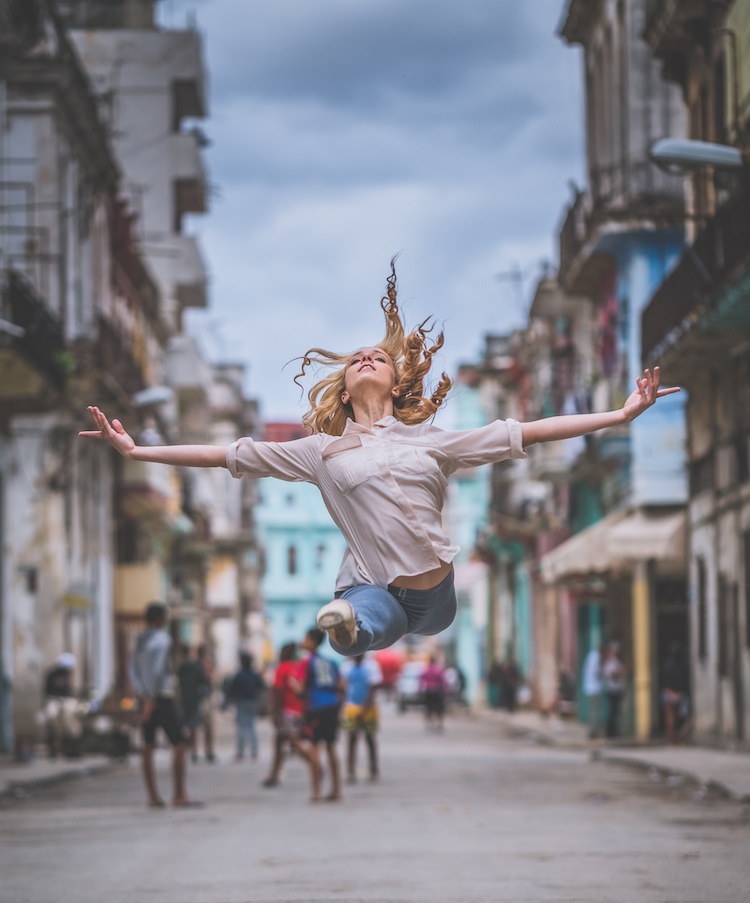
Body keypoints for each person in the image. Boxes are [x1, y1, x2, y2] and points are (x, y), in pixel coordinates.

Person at [80, 263, 679, 658]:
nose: (368, 355)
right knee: (358, 615)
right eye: (357, 358)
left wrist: (619, 415)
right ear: (343, 389)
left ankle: (352, 622)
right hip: (377, 588)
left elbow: (531, 430)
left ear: (395, 385)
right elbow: (225, 455)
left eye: (379, 357)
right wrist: (138, 450)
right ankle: (345, 627)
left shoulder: (434, 442)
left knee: (405, 614)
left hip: (435, 596)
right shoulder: (319, 452)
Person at [128, 602, 196, 808]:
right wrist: (152, 697)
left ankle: (153, 796)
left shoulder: (138, 640)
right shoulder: (162, 639)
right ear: (160, 619)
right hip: (161, 697)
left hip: (144, 697)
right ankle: (179, 793)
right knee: (180, 743)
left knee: (147, 746)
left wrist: (142, 695)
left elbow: (132, 671)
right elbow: (158, 670)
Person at [299, 627, 343, 802]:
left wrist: (298, 692)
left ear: (312, 641)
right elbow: (341, 686)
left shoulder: (306, 662)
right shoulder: (331, 662)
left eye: (306, 638)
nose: (303, 641)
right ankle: (336, 791)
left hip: (316, 707)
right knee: (331, 747)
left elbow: (300, 689)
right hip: (332, 705)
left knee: (315, 748)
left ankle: (316, 791)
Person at [263, 642, 307, 787]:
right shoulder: (296, 668)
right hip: (297, 709)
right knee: (280, 742)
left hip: (287, 711)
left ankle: (316, 765)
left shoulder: (281, 669)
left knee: (293, 741)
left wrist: (276, 712)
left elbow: (278, 692)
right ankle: (273, 774)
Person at [342, 653, 383, 782]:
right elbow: (343, 687)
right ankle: (350, 771)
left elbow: (374, 689)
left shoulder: (371, 666)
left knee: (369, 738)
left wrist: (364, 708)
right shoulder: (347, 666)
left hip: (369, 708)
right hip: (351, 706)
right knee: (352, 738)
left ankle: (373, 769)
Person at [223, 652, 266, 761]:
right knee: (252, 726)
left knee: (241, 727)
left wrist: (228, 701)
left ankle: (240, 752)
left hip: (242, 702)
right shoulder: (254, 674)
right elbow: (261, 686)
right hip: (252, 702)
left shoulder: (239, 675)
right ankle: (254, 751)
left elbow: (231, 688)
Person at [176, 645, 212, 762]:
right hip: (198, 700)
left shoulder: (181, 667)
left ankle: (194, 751)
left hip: (187, 700)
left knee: (192, 726)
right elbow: (205, 682)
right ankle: (208, 751)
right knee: (206, 725)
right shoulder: (198, 667)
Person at [42, 652, 81, 759]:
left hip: (66, 699)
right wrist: (56, 697)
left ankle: (73, 744)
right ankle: (54, 744)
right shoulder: (51, 675)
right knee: (52, 716)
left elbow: (70, 691)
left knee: (69, 717)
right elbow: (47, 691)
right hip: (54, 699)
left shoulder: (68, 675)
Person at [660, 641, 690, 744]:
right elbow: (685, 681)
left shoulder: (667, 665)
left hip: (668, 693)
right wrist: (678, 693)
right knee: (680, 717)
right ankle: (676, 739)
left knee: (670, 718)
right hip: (679, 694)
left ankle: (671, 738)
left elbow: (663, 681)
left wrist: (670, 692)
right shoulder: (683, 666)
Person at [602, 641, 627, 739]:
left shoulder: (616, 662)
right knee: (612, 712)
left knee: (615, 712)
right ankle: (610, 732)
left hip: (617, 690)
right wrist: (622, 671)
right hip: (613, 690)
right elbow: (612, 676)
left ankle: (614, 731)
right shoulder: (610, 663)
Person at [582, 642, 606, 737]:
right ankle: (593, 733)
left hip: (590, 688)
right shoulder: (596, 658)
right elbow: (597, 672)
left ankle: (593, 732)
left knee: (593, 712)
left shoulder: (591, 656)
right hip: (594, 688)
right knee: (594, 713)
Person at [419, 655, 448, 732]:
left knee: (429, 709)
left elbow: (421, 680)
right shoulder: (438, 670)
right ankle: (439, 724)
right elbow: (442, 681)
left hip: (428, 691)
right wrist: (445, 691)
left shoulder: (426, 670)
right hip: (437, 691)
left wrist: (421, 690)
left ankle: (430, 725)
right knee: (439, 709)